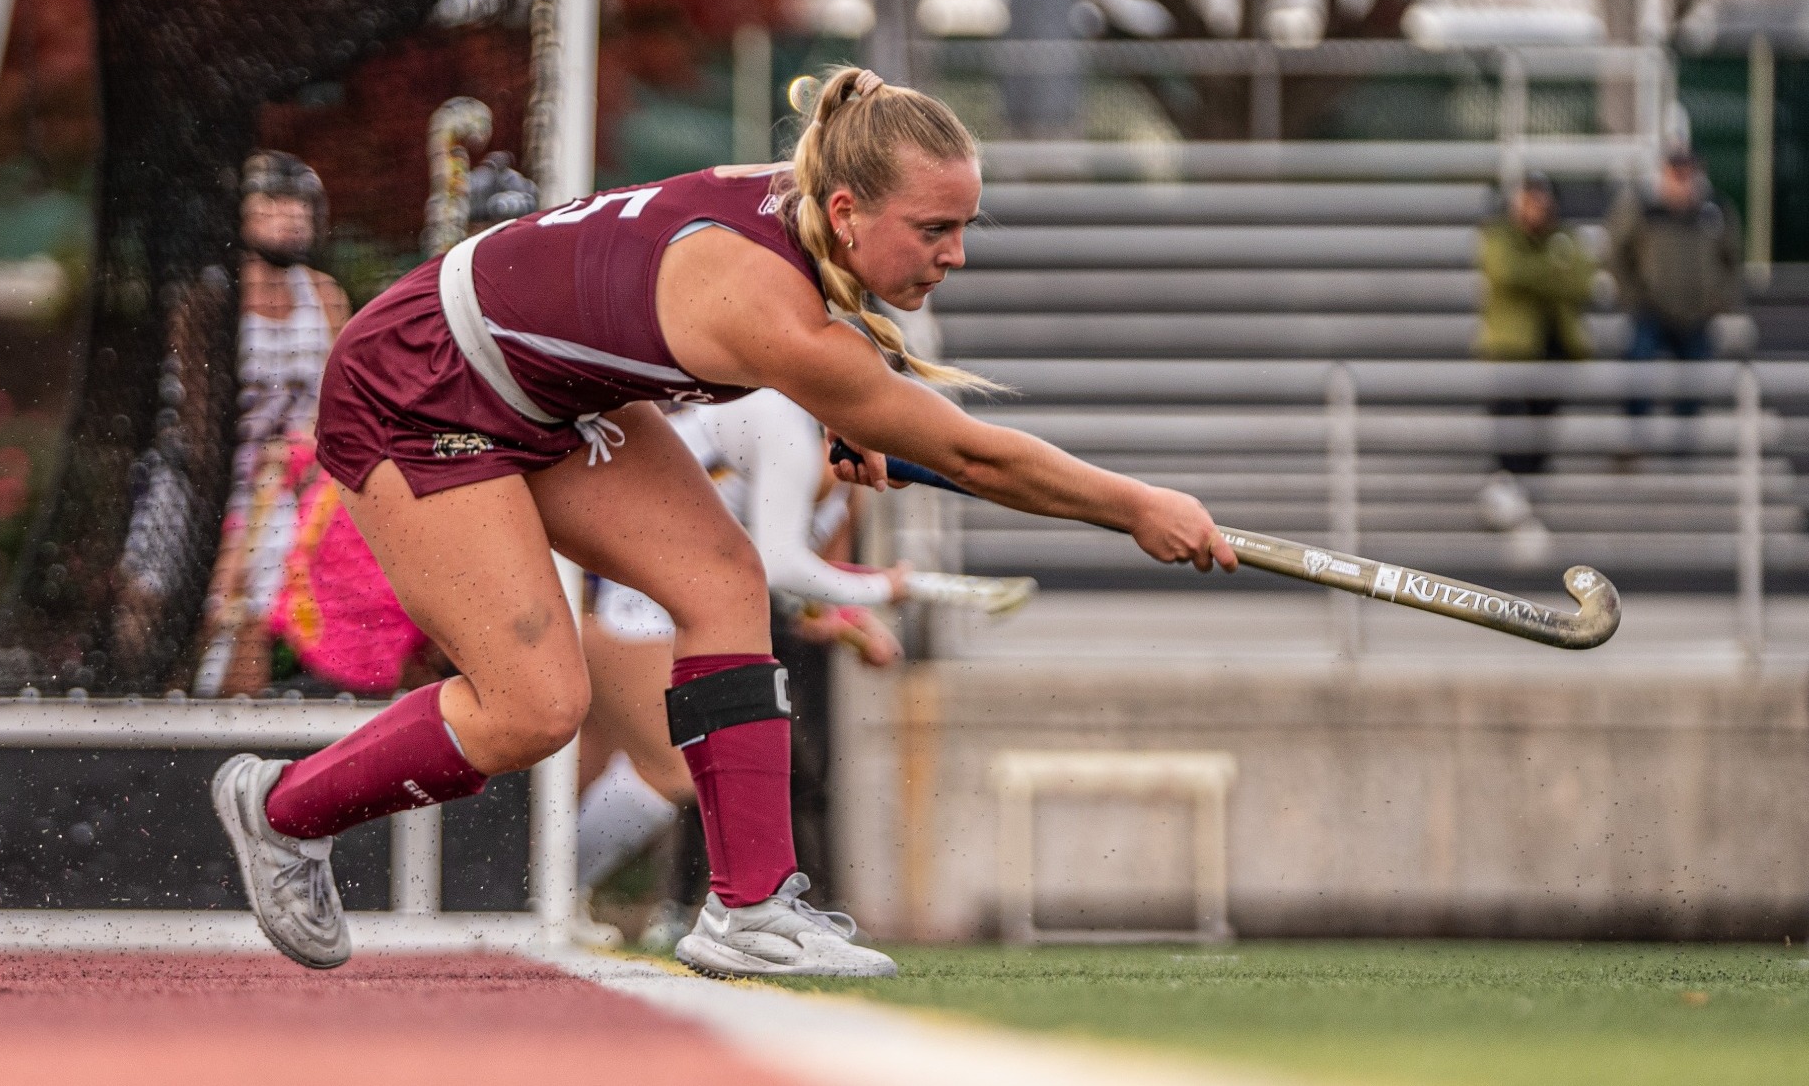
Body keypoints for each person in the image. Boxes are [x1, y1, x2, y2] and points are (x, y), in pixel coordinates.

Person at [208, 66, 1234, 979]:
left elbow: (775, 339)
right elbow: (964, 448)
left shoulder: (801, 212)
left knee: (723, 583)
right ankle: (281, 807)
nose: (954, 254)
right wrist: (1137, 504)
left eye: (963, 227)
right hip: (419, 385)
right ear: (846, 208)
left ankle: (748, 908)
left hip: (549, 393)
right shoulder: (766, 303)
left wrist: (848, 408)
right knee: (535, 707)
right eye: (934, 230)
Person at [573, 390, 1034, 948]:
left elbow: (804, 594)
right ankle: (556, 894)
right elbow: (781, 568)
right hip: (629, 588)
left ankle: (558, 896)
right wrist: (892, 586)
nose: (902, 470)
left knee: (625, 766)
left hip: (690, 598)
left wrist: (853, 624)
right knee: (669, 770)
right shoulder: (791, 437)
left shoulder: (849, 486)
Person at [194, 152, 353, 697]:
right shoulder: (213, 300)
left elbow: (342, 398)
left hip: (285, 485)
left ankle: (236, 736)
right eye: (274, 203)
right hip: (206, 481)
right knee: (198, 609)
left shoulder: (325, 297)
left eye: (300, 205)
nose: (291, 216)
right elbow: (191, 412)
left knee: (254, 620)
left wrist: (307, 445)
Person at [1474, 172, 1595, 539]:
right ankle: (1509, 506)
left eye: (1540, 199)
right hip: (1510, 351)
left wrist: (1544, 274)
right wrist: (1552, 271)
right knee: (1511, 434)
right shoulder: (1500, 236)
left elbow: (1583, 281)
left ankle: (1521, 504)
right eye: (1528, 199)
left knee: (1541, 435)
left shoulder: (1566, 238)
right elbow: (1507, 272)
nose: (1534, 207)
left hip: (1555, 350)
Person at [1609, 148, 1742, 418]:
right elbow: (1616, 253)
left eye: (1688, 173)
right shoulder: (1644, 210)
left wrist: (1720, 300)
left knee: (1693, 384)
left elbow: (1734, 259)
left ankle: (1683, 448)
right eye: (1675, 172)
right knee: (1638, 369)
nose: (1682, 180)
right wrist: (1632, 297)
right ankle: (1635, 440)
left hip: (1697, 314)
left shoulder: (1715, 211)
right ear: (1664, 174)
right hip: (1651, 311)